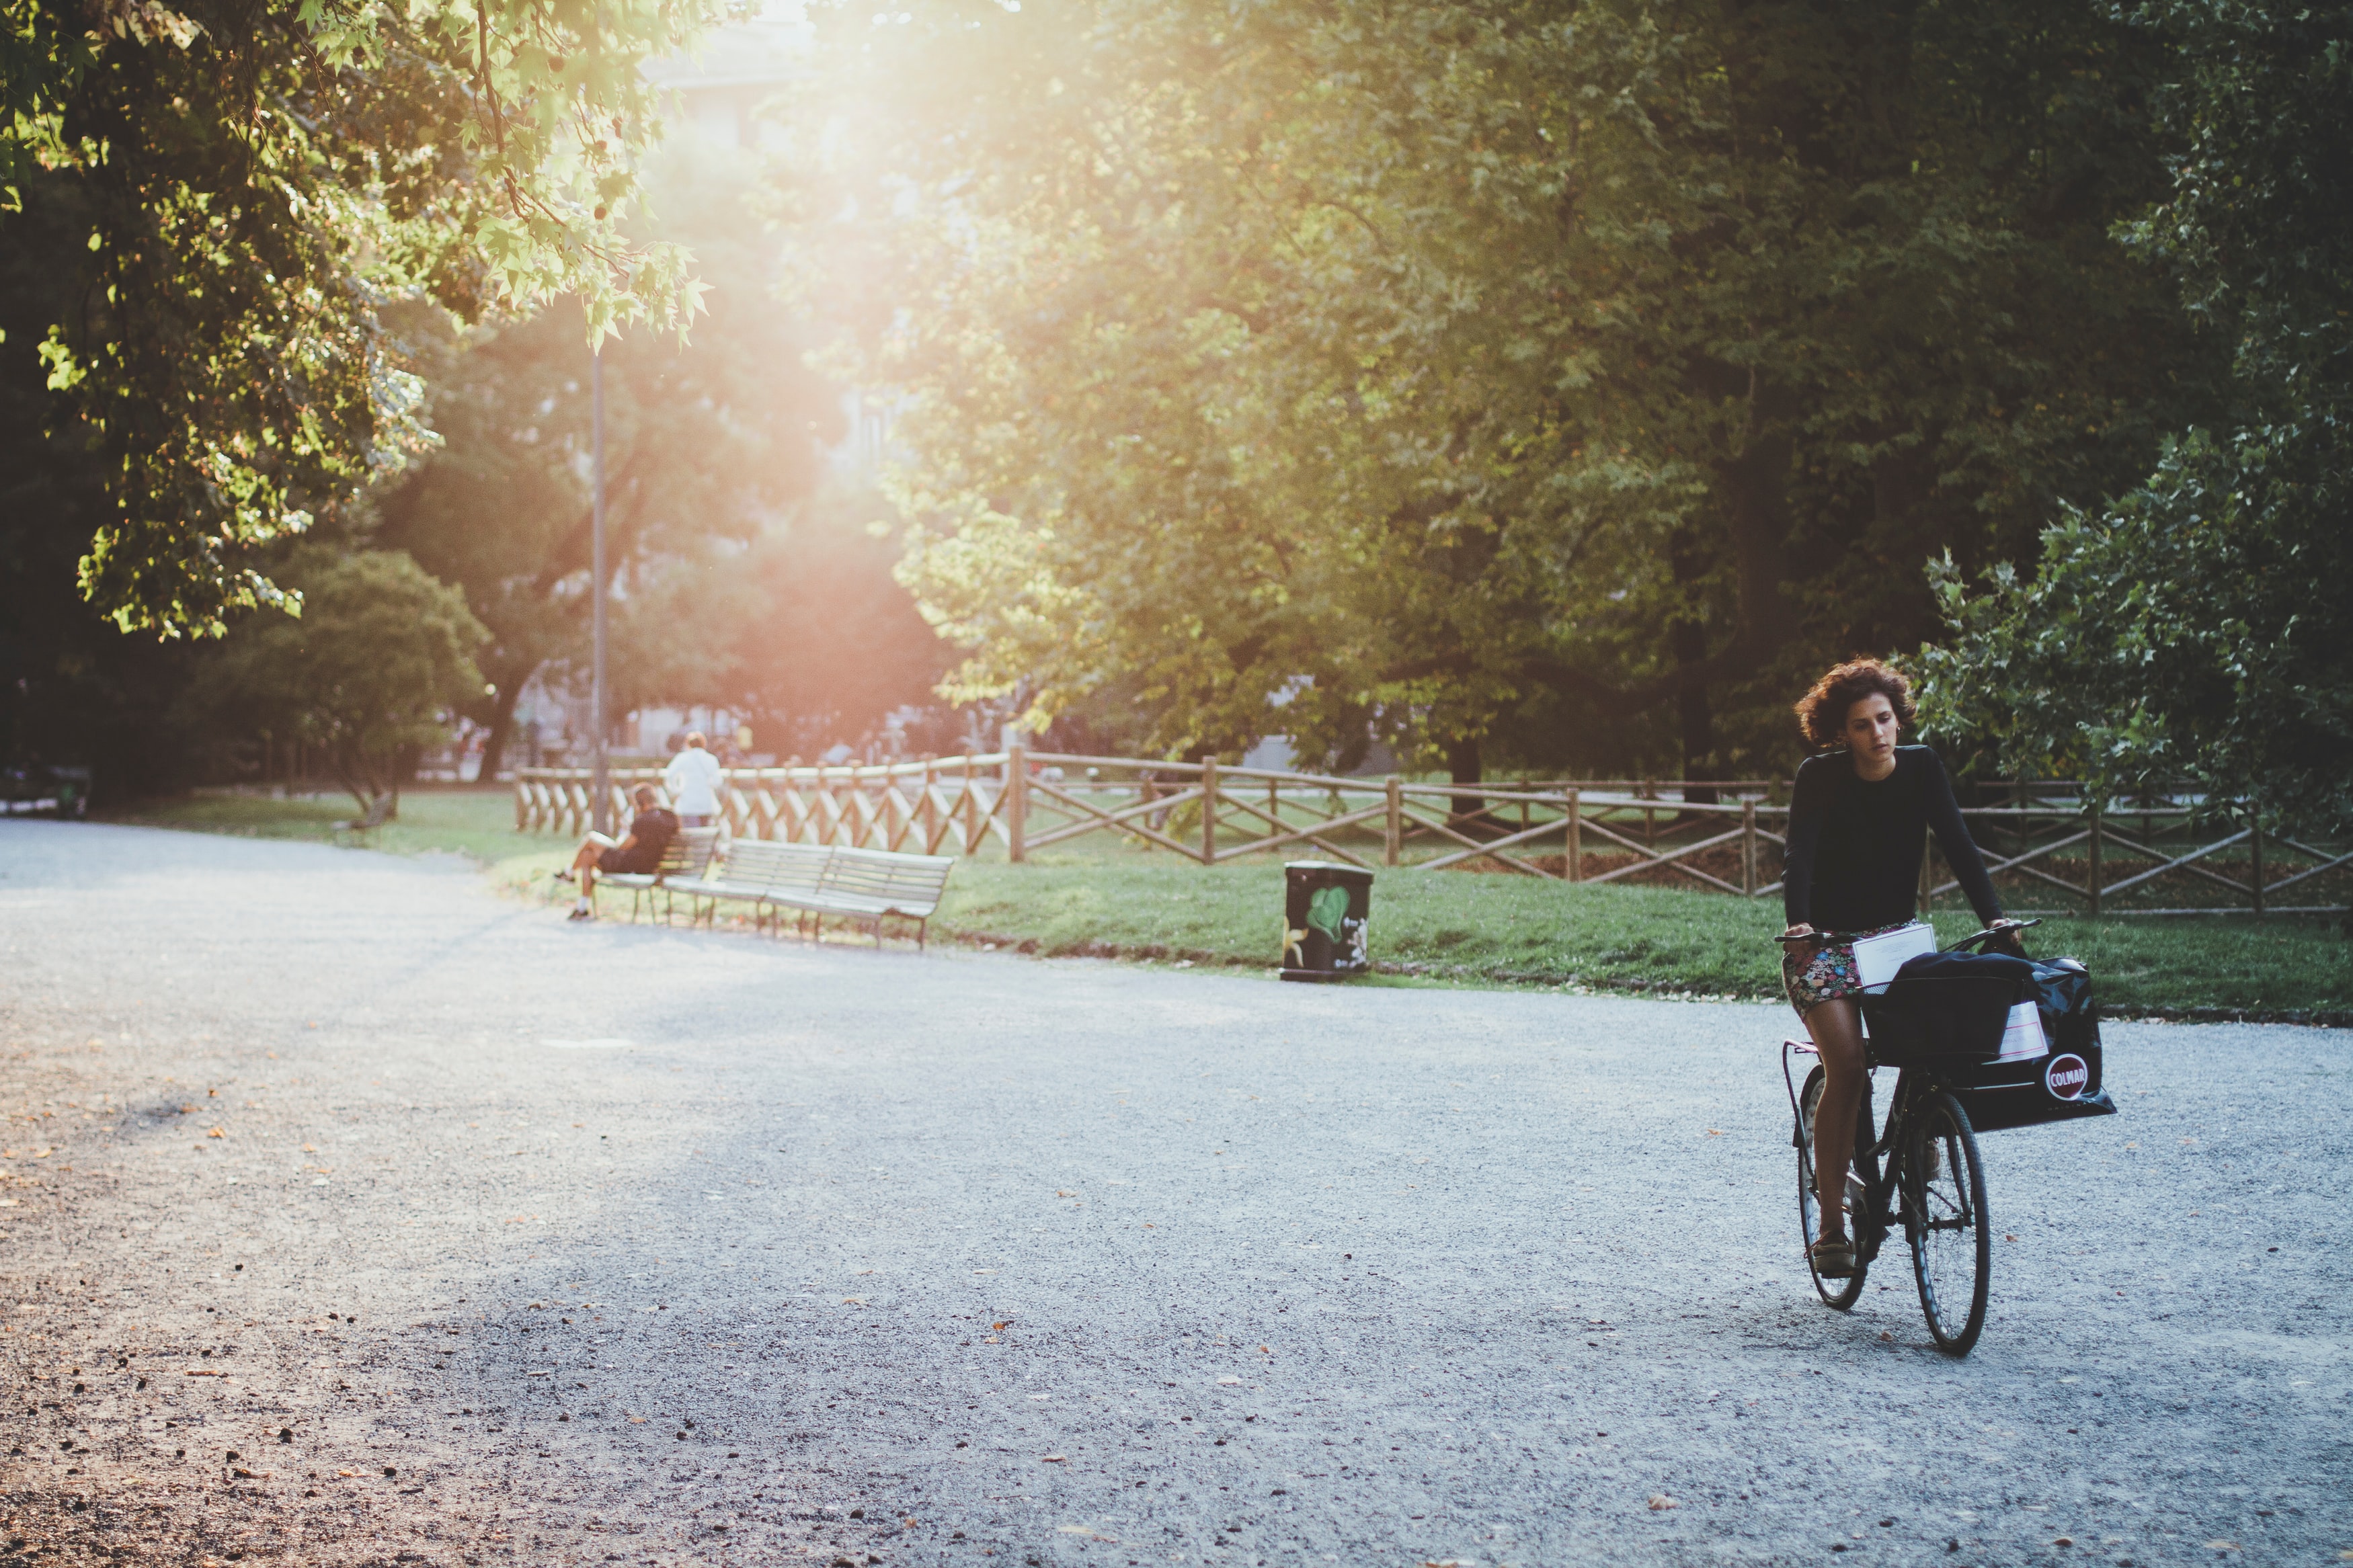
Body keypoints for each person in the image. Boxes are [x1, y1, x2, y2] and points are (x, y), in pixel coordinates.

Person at [1778, 659, 2022, 1280]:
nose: (1877, 734)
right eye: (1861, 725)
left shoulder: (1922, 767)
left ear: (1898, 717)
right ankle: (1832, 1223)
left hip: (1893, 943)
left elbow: (1960, 845)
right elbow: (1799, 856)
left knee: (1936, 1039)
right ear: (1843, 732)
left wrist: (1995, 919)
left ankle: (1925, 1128)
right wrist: (1801, 924)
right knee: (1850, 1065)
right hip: (1826, 946)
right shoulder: (1821, 777)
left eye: (1884, 719)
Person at [555, 784, 678, 921]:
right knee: (587, 857)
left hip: (631, 866)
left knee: (591, 839)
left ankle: (569, 873)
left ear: (640, 803)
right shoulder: (670, 817)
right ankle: (582, 908)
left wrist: (626, 830)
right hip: (648, 865)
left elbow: (623, 847)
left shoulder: (643, 821)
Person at [662, 731, 725, 828]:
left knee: (692, 834)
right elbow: (718, 781)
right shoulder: (711, 759)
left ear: (688, 744)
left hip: (687, 802)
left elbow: (670, 775)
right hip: (706, 803)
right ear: (704, 744)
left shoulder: (682, 758)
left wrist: (676, 791)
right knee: (705, 835)